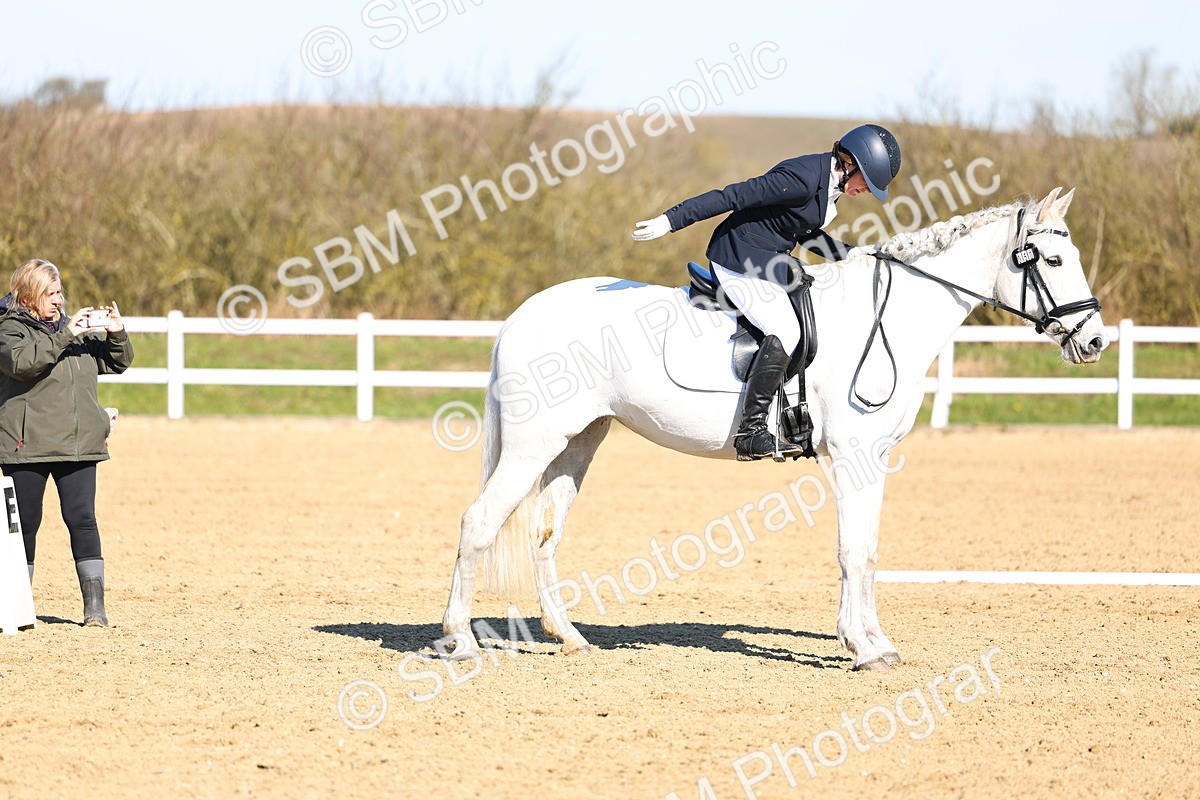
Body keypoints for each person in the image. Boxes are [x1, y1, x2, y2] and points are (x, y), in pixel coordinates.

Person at [632, 124, 902, 461]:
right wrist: (672, 219)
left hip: (766, 259)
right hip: (736, 258)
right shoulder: (803, 177)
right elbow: (733, 195)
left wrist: (851, 254)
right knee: (786, 329)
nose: (867, 191)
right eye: (867, 182)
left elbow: (802, 230)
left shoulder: (829, 183)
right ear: (850, 164)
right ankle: (751, 431)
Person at [0, 258, 133, 626]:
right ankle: (18, 607)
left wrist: (116, 333)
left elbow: (117, 363)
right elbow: (22, 364)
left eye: (59, 292)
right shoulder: (9, 330)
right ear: (29, 295)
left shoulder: (73, 330)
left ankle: (95, 608)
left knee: (82, 519)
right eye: (51, 293)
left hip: (78, 444)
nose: (59, 300)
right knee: (25, 525)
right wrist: (66, 335)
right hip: (27, 445)